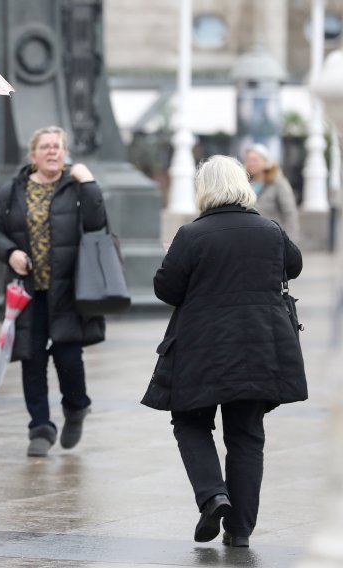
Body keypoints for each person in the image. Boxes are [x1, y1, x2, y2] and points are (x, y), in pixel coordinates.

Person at [142, 155, 307, 547]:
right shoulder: (270, 229)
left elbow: (166, 289)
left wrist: (172, 256)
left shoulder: (191, 235)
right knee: (247, 434)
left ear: (205, 189)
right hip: (261, 347)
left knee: (189, 421)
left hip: (203, 349)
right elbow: (294, 265)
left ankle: (213, 494)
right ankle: (240, 531)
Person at [0, 125, 108, 458]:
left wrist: (89, 182)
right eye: (46, 146)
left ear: (65, 153)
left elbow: (98, 224)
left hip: (69, 289)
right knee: (32, 359)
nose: (52, 151)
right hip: (27, 291)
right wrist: (10, 252)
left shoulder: (76, 187)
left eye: (58, 146)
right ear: (33, 154)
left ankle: (76, 407)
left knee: (69, 357)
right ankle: (40, 426)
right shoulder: (13, 190)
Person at [244, 143, 300, 239]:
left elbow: (290, 213)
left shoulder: (279, 183)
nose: (250, 163)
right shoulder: (245, 184)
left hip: (273, 238)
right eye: (248, 160)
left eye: (255, 160)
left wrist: (290, 242)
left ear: (266, 162)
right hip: (251, 238)